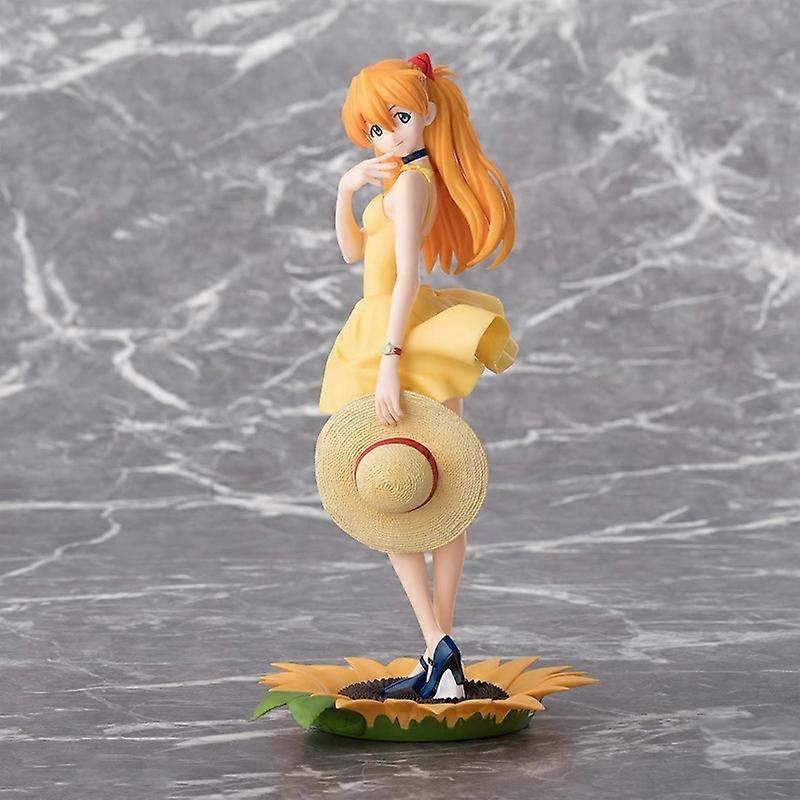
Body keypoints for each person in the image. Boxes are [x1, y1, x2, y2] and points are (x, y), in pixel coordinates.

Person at [318, 52, 519, 701]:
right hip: (385, 326)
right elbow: (352, 251)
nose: (387, 137)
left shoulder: (412, 184)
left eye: (397, 120)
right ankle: (440, 650)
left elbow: (407, 274)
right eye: (375, 129)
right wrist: (346, 190)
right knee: (402, 487)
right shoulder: (395, 180)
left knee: (412, 485)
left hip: (398, 334)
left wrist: (390, 359)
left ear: (428, 111)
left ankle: (439, 645)